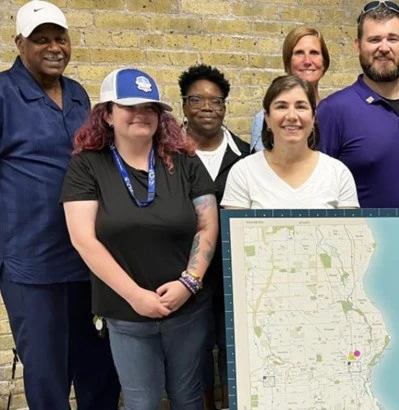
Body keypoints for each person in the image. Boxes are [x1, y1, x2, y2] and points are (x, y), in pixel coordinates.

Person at [61, 68, 218, 409]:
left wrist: (189, 283)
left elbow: (207, 225)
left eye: (150, 107)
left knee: (189, 398)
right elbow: (83, 239)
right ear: (107, 114)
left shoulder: (185, 161)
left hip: (187, 310)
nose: (141, 114)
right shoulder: (87, 166)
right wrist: (135, 297)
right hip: (126, 314)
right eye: (129, 106)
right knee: (141, 402)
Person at [0, 1, 120, 408]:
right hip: (30, 264)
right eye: (40, 40)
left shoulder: (76, 94)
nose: (54, 47)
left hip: (86, 260)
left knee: (99, 370)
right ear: (19, 44)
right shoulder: (3, 93)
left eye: (60, 38)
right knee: (48, 377)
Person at [317, 1, 399, 208]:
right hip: (360, 238)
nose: (384, 48)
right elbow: (318, 189)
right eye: (374, 39)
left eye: (392, 39)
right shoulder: (333, 111)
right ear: (358, 46)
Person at [179, 63, 249, 410]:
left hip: (235, 275)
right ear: (183, 105)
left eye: (216, 101)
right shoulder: (165, 155)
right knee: (195, 356)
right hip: (186, 275)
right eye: (198, 99)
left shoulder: (247, 155)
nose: (208, 107)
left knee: (235, 350)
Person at [222, 75, 359, 209]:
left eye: (301, 106)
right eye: (281, 106)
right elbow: (236, 231)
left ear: (313, 118)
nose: (292, 116)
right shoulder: (243, 172)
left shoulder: (338, 173)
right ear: (267, 118)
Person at [250, 26, 330, 152]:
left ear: (324, 63)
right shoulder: (265, 119)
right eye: (299, 53)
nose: (307, 61)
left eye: (314, 53)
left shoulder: (335, 114)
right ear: (288, 62)